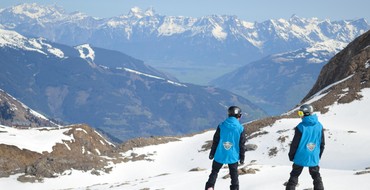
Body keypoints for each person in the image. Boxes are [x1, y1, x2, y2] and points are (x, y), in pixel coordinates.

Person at [205, 106, 246, 190]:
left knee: (214, 172)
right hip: (233, 155)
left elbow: (215, 141)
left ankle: (210, 187)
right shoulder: (240, 128)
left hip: (220, 153)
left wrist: (212, 153)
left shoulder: (221, 126)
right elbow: (241, 144)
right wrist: (242, 157)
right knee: (234, 176)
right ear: (239, 116)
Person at [286, 104, 325, 190]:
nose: (300, 116)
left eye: (300, 113)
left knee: (294, 175)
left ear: (306, 113)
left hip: (301, 155)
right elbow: (322, 143)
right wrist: (318, 156)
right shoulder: (319, 126)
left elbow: (294, 144)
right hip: (314, 154)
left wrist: (291, 155)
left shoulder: (300, 127)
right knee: (316, 176)